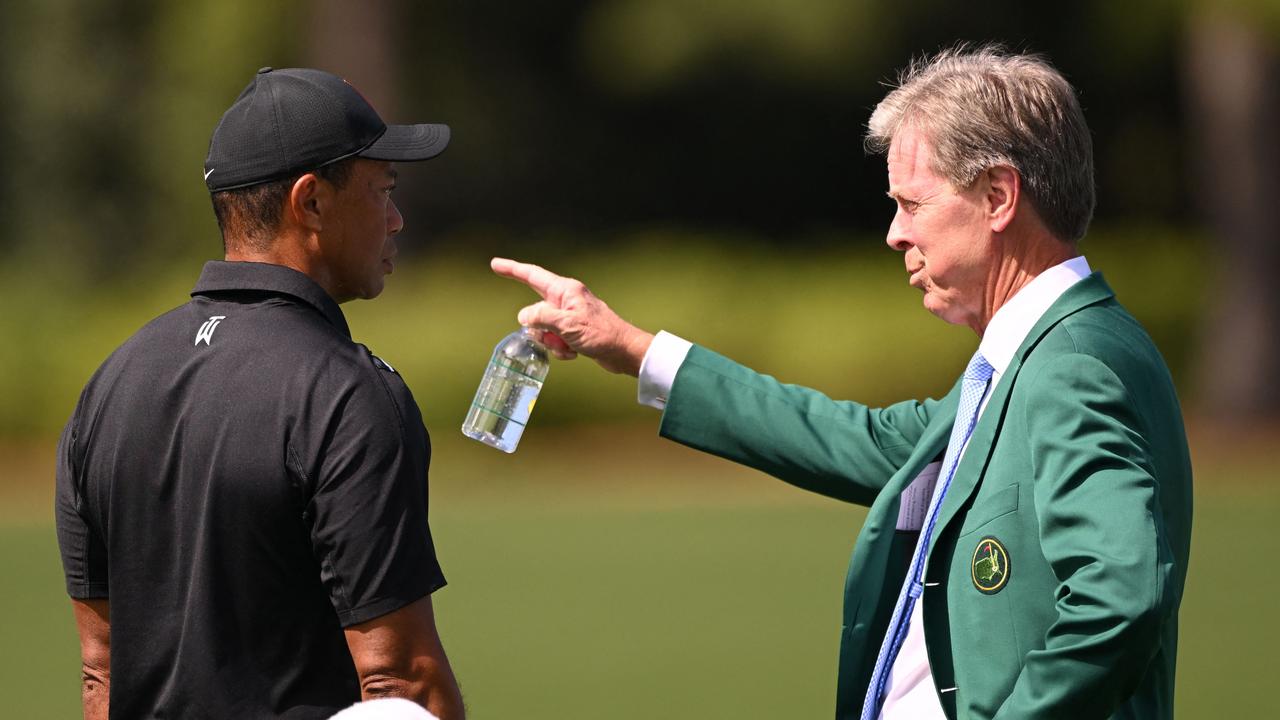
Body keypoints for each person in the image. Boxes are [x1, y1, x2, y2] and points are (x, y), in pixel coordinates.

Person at [491, 46, 1192, 719]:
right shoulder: (1037, 356)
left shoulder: (1070, 364)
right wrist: (633, 349)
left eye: (912, 203)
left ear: (999, 196)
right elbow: (864, 442)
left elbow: (1120, 596)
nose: (894, 233)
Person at [55, 67, 465, 719]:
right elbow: (401, 684)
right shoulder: (348, 392)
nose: (396, 218)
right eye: (381, 190)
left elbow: (101, 675)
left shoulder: (107, 386)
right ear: (311, 202)